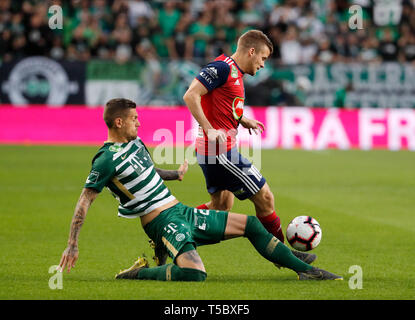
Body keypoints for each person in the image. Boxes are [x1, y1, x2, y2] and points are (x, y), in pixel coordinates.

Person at [57, 98, 342, 281]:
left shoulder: (136, 144)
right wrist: (72, 243)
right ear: (118, 122)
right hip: (160, 223)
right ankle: (139, 274)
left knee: (252, 225)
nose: (139, 122)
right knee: (195, 274)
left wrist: (175, 174)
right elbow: (85, 201)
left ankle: (306, 272)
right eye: (134, 119)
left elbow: (148, 172)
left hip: (181, 211)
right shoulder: (105, 158)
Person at [183, 29, 293, 251]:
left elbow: (219, 101)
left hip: (212, 150)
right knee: (265, 198)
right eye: (262, 58)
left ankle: (174, 228)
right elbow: (190, 95)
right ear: (251, 51)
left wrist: (241, 119)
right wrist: (209, 129)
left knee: (220, 206)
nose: (263, 65)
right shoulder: (222, 68)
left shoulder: (232, 70)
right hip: (221, 151)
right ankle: (286, 255)